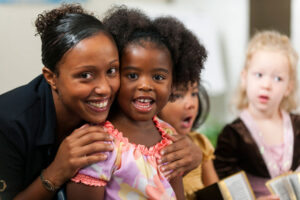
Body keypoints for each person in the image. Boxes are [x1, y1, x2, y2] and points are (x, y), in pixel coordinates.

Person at [0, 4, 203, 200]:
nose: (105, 88)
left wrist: (192, 152)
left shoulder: (126, 112)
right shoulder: (9, 122)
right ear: (51, 77)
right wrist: (56, 172)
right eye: (86, 75)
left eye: (112, 71)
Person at [66, 6, 207, 200]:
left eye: (158, 77)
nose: (146, 85)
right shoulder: (99, 144)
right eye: (132, 75)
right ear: (113, 74)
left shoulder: (169, 135)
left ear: (173, 82)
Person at [214, 30, 300, 200]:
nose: (266, 85)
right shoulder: (232, 135)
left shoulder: (298, 126)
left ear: (288, 88)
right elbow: (224, 190)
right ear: (244, 78)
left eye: (277, 78)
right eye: (259, 75)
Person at [158, 82, 219, 199]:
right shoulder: (149, 150)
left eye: (194, 93)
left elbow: (216, 192)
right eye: (177, 96)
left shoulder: (200, 142)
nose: (191, 104)